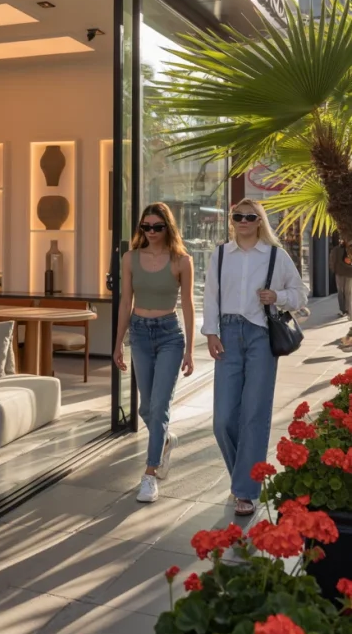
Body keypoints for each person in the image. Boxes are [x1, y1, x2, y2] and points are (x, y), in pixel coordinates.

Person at [203, 199, 308, 517]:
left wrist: (278, 297)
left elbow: (300, 293)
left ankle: (245, 491)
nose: (244, 220)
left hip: (261, 336)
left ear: (260, 221)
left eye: (251, 216)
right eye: (238, 216)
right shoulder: (221, 254)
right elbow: (210, 295)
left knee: (254, 416)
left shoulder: (276, 256)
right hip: (228, 336)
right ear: (232, 220)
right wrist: (210, 333)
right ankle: (246, 477)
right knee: (222, 419)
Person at [113, 202, 195, 504]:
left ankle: (150, 475)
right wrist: (118, 341)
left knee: (159, 406)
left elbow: (188, 304)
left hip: (170, 335)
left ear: (167, 228)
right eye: (145, 227)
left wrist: (189, 348)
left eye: (157, 227)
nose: (151, 232)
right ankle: (165, 441)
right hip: (140, 333)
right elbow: (125, 302)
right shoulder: (130, 258)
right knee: (145, 408)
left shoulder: (181, 261)